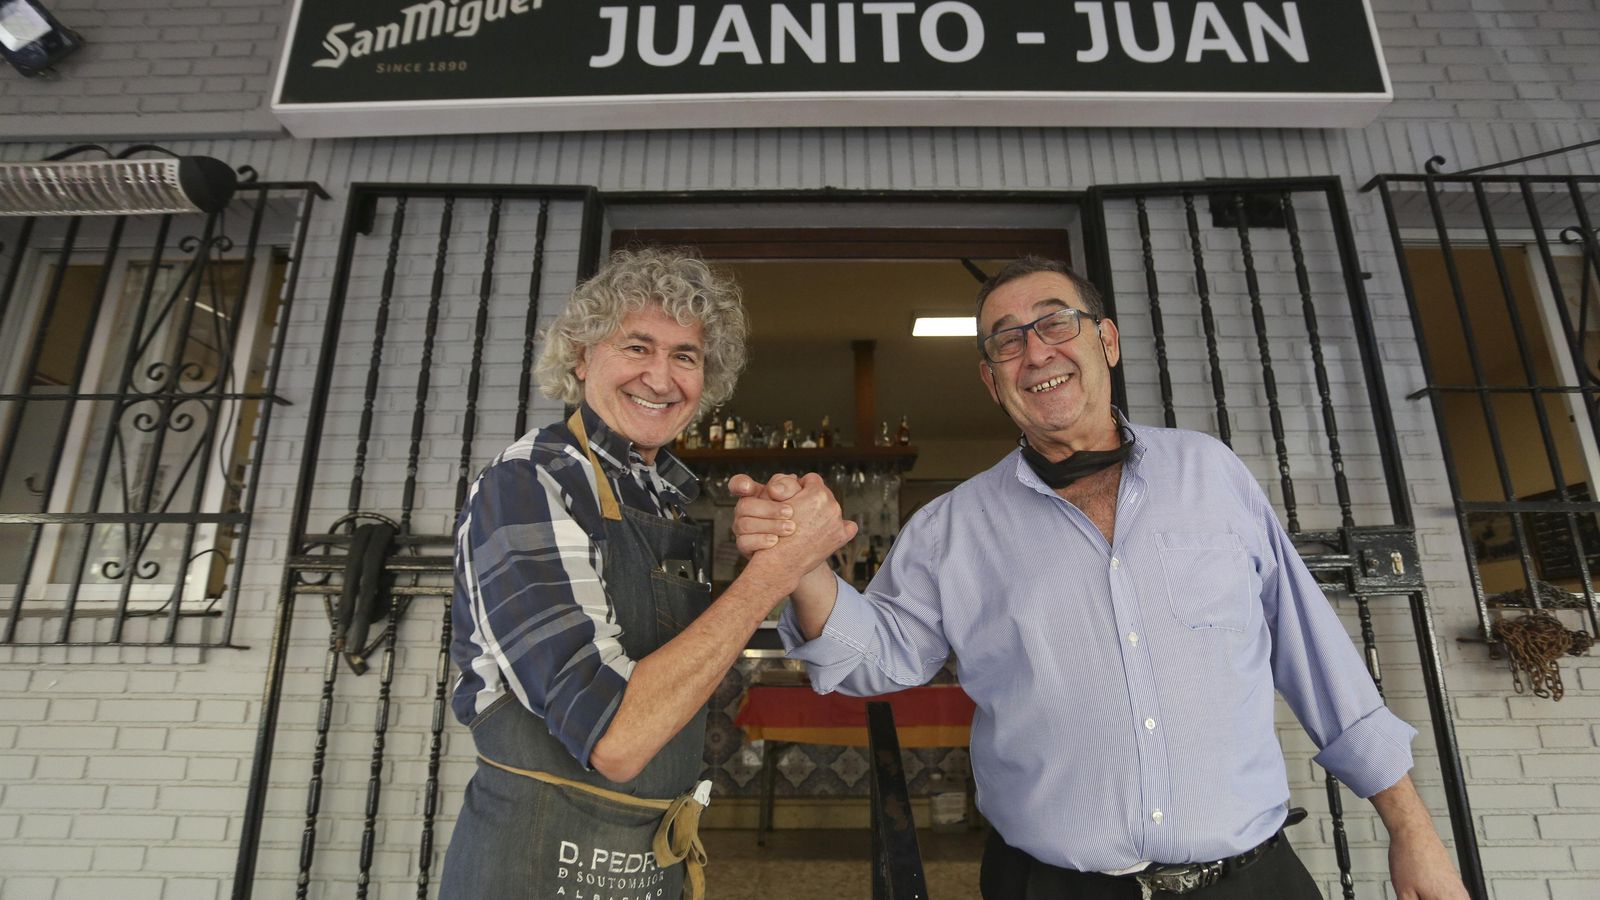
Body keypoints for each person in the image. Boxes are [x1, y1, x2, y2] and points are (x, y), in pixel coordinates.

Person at [732, 257, 1470, 900]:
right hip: (1051, 889)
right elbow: (875, 658)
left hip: (1249, 881)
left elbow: (1319, 660)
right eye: (1007, 341)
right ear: (992, 381)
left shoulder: (1209, 474)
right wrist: (803, 565)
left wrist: (1412, 830)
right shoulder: (951, 528)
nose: (1035, 351)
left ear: (1107, 341)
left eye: (1056, 324)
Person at [439, 249, 854, 900]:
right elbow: (617, 738)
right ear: (581, 357)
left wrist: (789, 545)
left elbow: (849, 660)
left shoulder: (660, 496)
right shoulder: (530, 482)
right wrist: (772, 573)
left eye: (685, 356)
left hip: (646, 863)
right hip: (538, 865)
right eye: (638, 347)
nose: (661, 378)